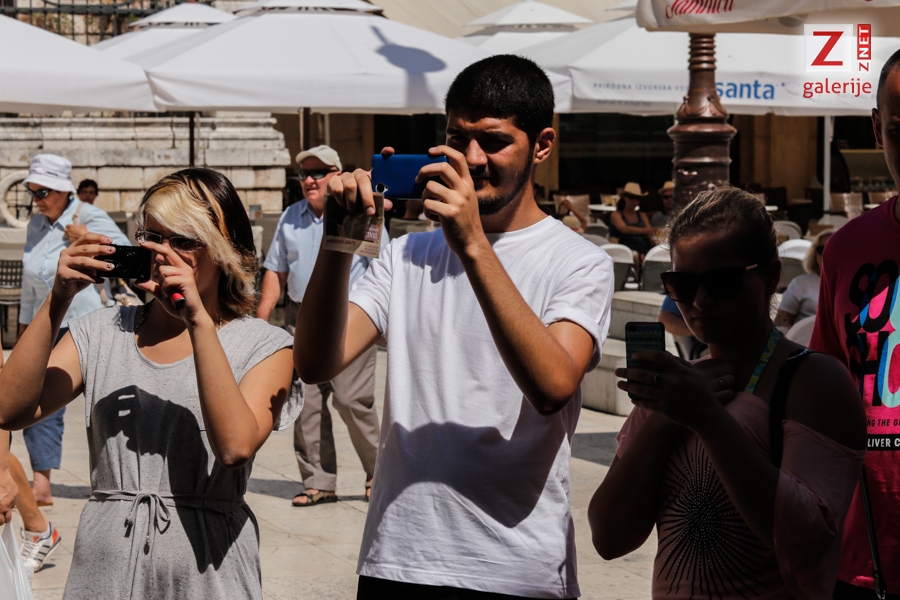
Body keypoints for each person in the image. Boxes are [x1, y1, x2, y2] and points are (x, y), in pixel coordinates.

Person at [295, 54, 614, 599]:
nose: (472, 159)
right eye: (456, 139)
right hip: (398, 559)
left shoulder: (579, 262)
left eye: (494, 141)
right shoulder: (407, 255)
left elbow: (553, 386)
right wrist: (339, 242)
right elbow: (316, 362)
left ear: (542, 145)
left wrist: (472, 243)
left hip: (515, 569)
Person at [0, 168, 302, 598]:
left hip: (208, 571)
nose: (164, 253)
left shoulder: (264, 344)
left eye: (184, 241)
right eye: (153, 237)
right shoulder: (101, 331)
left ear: (225, 251)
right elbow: (9, 410)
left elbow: (235, 448)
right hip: (104, 567)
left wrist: (197, 321)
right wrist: (58, 298)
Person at [590, 186, 866, 598]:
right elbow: (609, 538)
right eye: (682, 284)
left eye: (722, 281)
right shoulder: (676, 391)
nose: (701, 301)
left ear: (770, 276)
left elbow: (805, 542)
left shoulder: (813, 381)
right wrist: (664, 418)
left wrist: (707, 418)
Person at [810, 49, 900, 599]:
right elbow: (827, 388)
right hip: (863, 556)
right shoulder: (847, 249)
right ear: (877, 129)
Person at [257, 145, 380, 507]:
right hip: (299, 319)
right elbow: (276, 271)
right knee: (305, 406)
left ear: (337, 174)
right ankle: (319, 481)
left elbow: (381, 267)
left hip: (351, 318)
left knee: (352, 401)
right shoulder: (290, 217)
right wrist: (261, 320)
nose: (309, 180)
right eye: (304, 174)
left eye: (318, 173)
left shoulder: (363, 212)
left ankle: (378, 472)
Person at [19, 154, 129, 508]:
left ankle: (119, 478)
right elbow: (30, 286)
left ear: (64, 191)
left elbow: (129, 258)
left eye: (43, 191)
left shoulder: (89, 216)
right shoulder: (35, 225)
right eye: (32, 191)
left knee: (105, 403)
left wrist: (84, 237)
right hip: (49, 325)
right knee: (37, 400)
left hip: (91, 326)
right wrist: (24, 333)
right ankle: (41, 483)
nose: (37, 198)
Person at [774, 229, 833, 331]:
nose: (826, 254)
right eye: (821, 249)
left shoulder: (852, 285)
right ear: (814, 254)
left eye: (833, 248)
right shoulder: (800, 284)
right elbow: (781, 322)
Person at [609, 182, 655, 263]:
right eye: (631, 197)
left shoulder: (642, 215)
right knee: (639, 258)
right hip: (624, 250)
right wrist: (649, 230)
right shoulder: (616, 214)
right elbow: (624, 229)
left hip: (644, 249)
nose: (635, 201)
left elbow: (649, 234)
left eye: (638, 198)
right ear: (624, 197)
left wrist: (656, 241)